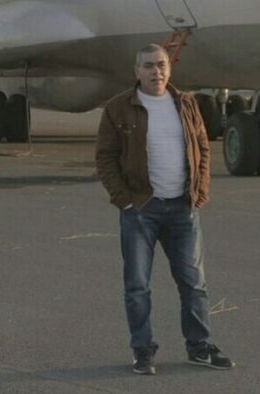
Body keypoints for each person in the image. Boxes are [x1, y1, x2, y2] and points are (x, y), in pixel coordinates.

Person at [95, 43, 235, 375]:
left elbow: (202, 146)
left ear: (169, 68)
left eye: (161, 65)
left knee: (194, 283)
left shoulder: (185, 103)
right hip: (141, 209)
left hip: (182, 208)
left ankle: (199, 347)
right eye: (148, 66)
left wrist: (199, 192)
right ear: (137, 71)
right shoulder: (118, 108)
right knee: (138, 286)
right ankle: (142, 351)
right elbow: (105, 157)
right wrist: (124, 199)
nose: (156, 71)